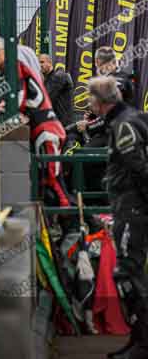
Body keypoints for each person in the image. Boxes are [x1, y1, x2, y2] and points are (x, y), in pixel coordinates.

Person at [87, 76, 148, 359]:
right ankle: (137, 340)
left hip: (132, 207)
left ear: (100, 101)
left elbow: (139, 168)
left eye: (91, 98)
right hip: (130, 206)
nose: (89, 103)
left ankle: (143, 343)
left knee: (127, 273)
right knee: (130, 271)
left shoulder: (123, 124)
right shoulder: (130, 117)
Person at [0, 35, 70, 207]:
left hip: (46, 130)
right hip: (40, 129)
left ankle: (78, 227)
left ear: (5, 51)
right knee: (44, 184)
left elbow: (20, 98)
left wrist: (10, 113)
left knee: (51, 182)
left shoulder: (15, 67)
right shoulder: (9, 70)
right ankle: (61, 227)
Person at [40, 54, 74, 127]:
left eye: (42, 62)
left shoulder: (58, 76)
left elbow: (45, 99)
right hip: (56, 123)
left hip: (63, 125)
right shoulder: (48, 80)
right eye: (38, 63)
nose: (40, 65)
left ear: (49, 63)